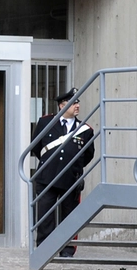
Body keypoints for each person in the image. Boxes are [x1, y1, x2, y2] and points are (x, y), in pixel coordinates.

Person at [31, 88, 96, 258]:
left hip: (70, 180)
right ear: (62, 105)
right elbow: (37, 147)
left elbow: (88, 155)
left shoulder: (85, 130)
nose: (77, 105)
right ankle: (44, 251)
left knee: (70, 216)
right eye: (73, 102)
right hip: (47, 177)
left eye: (78, 102)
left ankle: (67, 251)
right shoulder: (46, 123)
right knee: (45, 216)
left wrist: (73, 168)